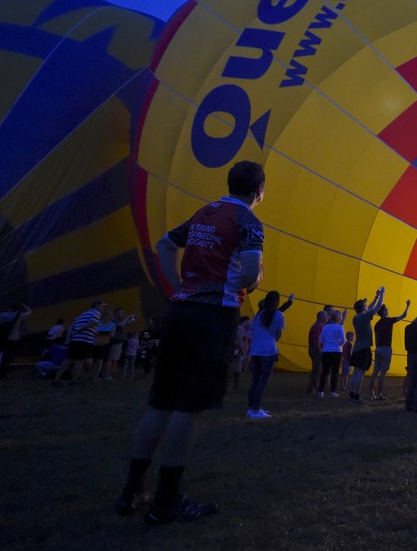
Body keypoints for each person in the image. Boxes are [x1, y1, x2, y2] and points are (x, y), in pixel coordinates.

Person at [115, 160, 265, 524]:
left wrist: (175, 289)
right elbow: (248, 272)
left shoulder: (205, 212)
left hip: (181, 311)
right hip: (213, 316)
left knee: (161, 401)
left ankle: (132, 490)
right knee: (189, 407)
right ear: (259, 191)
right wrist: (253, 280)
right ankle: (166, 501)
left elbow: (166, 244)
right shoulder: (248, 222)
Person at [247, 291, 284, 419]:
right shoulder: (279, 315)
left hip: (255, 350)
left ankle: (252, 407)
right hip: (269, 350)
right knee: (263, 381)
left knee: (255, 380)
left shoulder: (258, 314)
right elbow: (278, 334)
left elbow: (252, 330)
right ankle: (256, 409)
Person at [53, 300, 105, 385]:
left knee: (68, 359)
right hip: (84, 340)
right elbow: (90, 324)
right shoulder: (96, 313)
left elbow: (72, 326)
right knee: (80, 360)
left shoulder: (82, 314)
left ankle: (56, 379)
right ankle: (74, 380)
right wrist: (79, 331)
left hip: (75, 340)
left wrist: (69, 337)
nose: (103, 308)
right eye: (102, 306)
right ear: (96, 305)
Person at [348, 288, 384, 404]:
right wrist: (382, 294)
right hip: (364, 349)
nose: (366, 305)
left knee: (356, 372)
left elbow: (370, 308)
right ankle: (356, 396)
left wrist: (376, 297)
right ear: (361, 308)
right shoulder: (364, 317)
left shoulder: (356, 317)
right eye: (364, 305)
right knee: (360, 373)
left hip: (357, 348)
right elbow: (377, 307)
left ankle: (352, 394)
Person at [370, 300, 410, 401]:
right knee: (382, 373)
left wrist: (377, 348)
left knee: (375, 372)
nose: (388, 310)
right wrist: (408, 306)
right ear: (384, 312)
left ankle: (371, 394)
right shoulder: (389, 321)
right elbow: (403, 315)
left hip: (378, 349)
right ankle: (380, 394)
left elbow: (376, 338)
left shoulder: (377, 324)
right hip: (386, 349)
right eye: (386, 309)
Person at [0, 300, 32, 379]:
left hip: (1, 338)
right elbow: (30, 311)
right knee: (7, 358)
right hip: (13, 339)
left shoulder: (1, 315)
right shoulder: (19, 315)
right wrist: (23, 304)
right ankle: (1, 375)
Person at [318, 309, 346, 397]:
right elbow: (343, 340)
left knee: (324, 372)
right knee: (335, 372)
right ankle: (332, 391)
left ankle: (320, 392)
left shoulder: (325, 327)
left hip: (326, 351)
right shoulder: (340, 327)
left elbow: (321, 340)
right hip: (336, 351)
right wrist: (337, 342)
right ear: (338, 318)